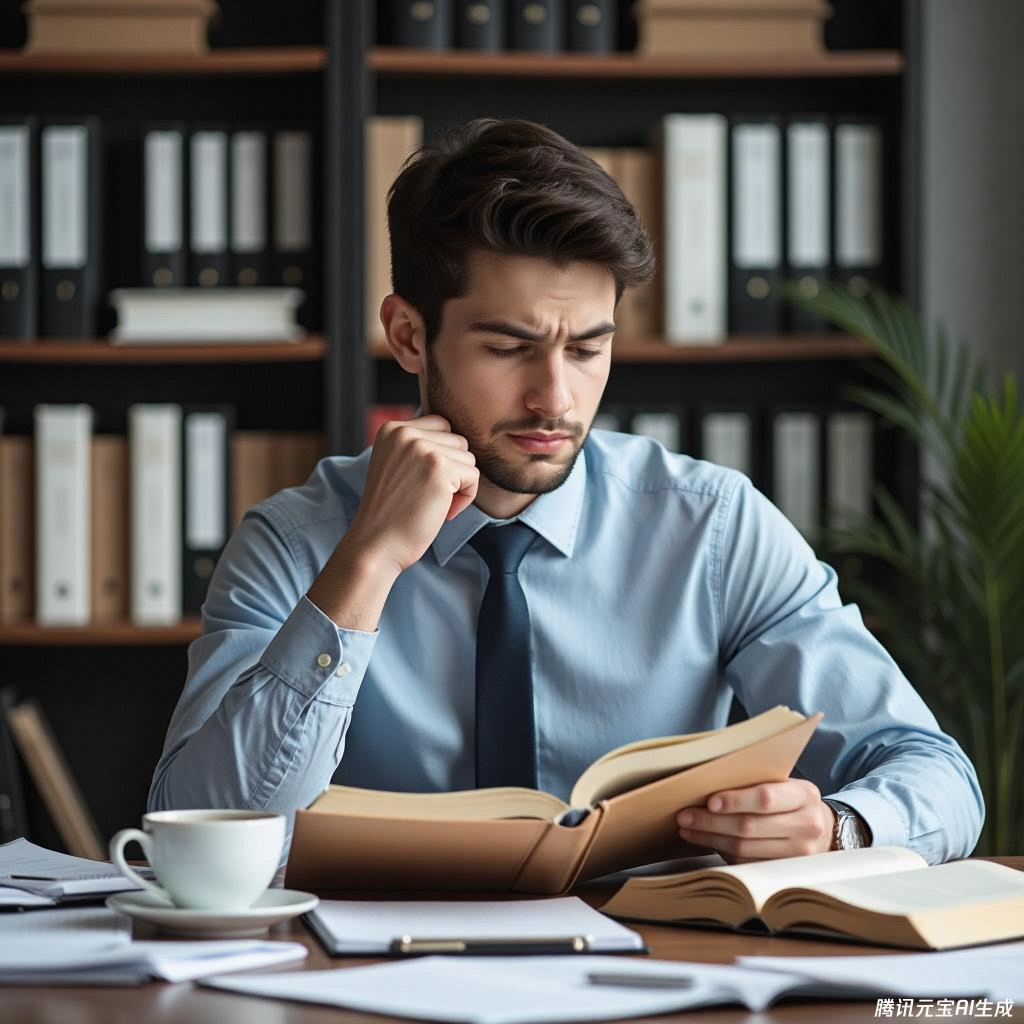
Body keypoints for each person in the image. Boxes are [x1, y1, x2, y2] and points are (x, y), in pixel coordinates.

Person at [149, 118, 983, 867]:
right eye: (510, 347)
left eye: (587, 349)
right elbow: (196, 823)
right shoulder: (296, 542)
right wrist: (364, 566)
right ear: (409, 334)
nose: (556, 398)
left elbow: (936, 773)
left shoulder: (713, 527)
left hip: (657, 976)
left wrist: (839, 827)